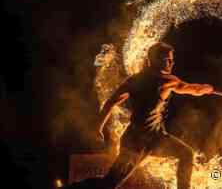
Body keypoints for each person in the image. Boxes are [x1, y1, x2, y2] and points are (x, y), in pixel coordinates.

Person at [65, 42, 213, 189]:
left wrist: (99, 126)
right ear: (154, 60)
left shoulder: (134, 80)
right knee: (110, 183)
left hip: (156, 138)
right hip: (137, 143)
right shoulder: (167, 81)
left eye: (172, 60)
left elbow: (111, 102)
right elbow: (192, 89)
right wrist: (205, 88)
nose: (171, 63)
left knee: (186, 154)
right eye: (168, 60)